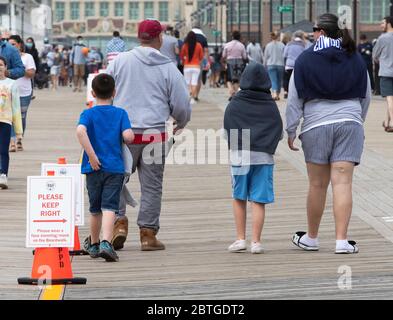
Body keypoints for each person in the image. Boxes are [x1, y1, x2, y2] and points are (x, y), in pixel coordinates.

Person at [286, 13, 371, 254]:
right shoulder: (355, 59)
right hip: (350, 123)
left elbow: (294, 99)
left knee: (317, 184)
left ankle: (311, 238)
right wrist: (357, 122)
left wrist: (291, 129)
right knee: (343, 183)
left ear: (321, 32)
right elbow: (364, 95)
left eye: (314, 30)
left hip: (315, 125)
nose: (312, 34)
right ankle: (342, 241)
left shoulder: (304, 59)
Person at [106, 19, 191, 251]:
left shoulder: (120, 62)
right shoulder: (168, 67)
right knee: (152, 186)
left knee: (116, 180)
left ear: (138, 37)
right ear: (160, 38)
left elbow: (104, 92)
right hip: (156, 135)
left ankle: (118, 223)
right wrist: (180, 121)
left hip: (124, 133)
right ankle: (148, 234)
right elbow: (182, 103)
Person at [224, 62, 283, 254]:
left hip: (240, 157)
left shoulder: (235, 103)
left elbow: (227, 133)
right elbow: (279, 132)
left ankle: (240, 239)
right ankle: (256, 242)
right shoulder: (270, 105)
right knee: (258, 200)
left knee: (239, 197)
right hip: (263, 157)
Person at [76, 73, 135, 262]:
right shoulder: (120, 113)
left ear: (92, 93)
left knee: (95, 209)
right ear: (114, 92)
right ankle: (106, 243)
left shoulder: (88, 114)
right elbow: (128, 137)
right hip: (114, 168)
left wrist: (92, 156)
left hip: (92, 168)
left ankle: (93, 244)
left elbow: (80, 131)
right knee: (110, 207)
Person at [7, 35, 36, 152]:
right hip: (8, 91)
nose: (11, 46)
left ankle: (19, 139)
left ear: (19, 45)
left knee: (21, 117)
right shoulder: (6, 57)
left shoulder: (27, 57)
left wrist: (19, 68)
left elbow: (31, 74)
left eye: (13, 44)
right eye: (8, 44)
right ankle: (12, 141)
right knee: (10, 117)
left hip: (24, 92)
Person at [0, 57, 22, 189]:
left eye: (1, 65)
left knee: (3, 149)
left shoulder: (12, 84)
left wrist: (18, 130)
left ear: (6, 67)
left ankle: (3, 175)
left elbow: (16, 107)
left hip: (5, 120)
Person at [373, 16, 393, 132]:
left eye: (383, 23)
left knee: (389, 98)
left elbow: (375, 55)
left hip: (387, 72)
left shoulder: (383, 38)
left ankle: (392, 123)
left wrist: (378, 60)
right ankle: (387, 122)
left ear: (389, 24)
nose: (381, 25)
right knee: (391, 99)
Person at [222, 31, 247, 99]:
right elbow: (244, 56)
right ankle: (236, 93)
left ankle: (231, 91)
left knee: (229, 79)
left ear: (232, 37)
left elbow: (223, 55)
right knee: (236, 79)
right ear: (239, 37)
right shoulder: (241, 45)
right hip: (239, 63)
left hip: (229, 63)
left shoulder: (227, 45)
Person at [180, 31, 204, 104]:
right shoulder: (199, 45)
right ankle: (192, 98)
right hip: (196, 66)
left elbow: (181, 56)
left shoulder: (185, 45)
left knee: (187, 83)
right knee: (194, 82)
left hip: (187, 66)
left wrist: (184, 61)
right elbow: (201, 57)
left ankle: (188, 96)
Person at [283, 30, 306, 99]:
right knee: (296, 80)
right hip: (298, 65)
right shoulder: (303, 44)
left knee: (286, 79)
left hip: (289, 65)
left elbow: (284, 55)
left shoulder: (289, 44)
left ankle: (286, 92)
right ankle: (295, 93)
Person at [264, 32, 285, 101]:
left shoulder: (268, 45)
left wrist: (264, 65)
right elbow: (284, 56)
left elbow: (265, 56)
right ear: (278, 37)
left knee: (273, 80)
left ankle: (274, 93)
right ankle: (277, 94)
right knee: (279, 80)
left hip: (271, 65)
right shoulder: (282, 45)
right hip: (280, 65)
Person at [191, 25, 209, 101]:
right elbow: (206, 51)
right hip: (199, 61)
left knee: (190, 79)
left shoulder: (189, 37)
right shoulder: (203, 38)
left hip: (189, 61)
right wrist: (206, 61)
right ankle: (196, 95)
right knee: (198, 79)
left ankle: (191, 93)